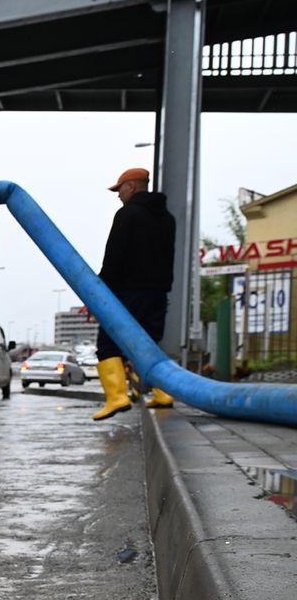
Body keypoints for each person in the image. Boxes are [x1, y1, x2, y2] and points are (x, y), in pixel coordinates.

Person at [93, 166, 177, 420]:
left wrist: (99, 292)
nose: (118, 195)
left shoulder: (127, 214)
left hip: (128, 292)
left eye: (119, 190)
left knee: (107, 344)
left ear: (131, 186)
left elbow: (114, 257)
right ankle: (164, 393)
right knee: (150, 343)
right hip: (158, 293)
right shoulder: (168, 218)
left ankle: (117, 398)